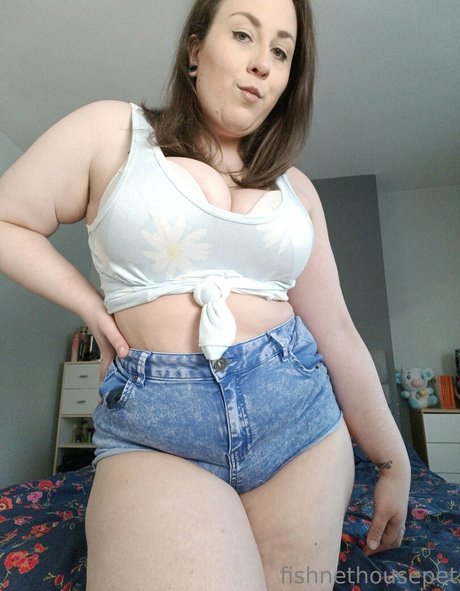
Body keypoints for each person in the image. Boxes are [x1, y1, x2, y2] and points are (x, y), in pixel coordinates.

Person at [0, 0, 411, 589]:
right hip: (158, 434)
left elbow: (338, 332)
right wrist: (90, 304)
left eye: (281, 52)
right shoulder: (114, 132)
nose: (262, 62)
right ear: (195, 49)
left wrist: (393, 462)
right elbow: (7, 220)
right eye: (243, 35)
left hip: (299, 425)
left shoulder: (297, 190)